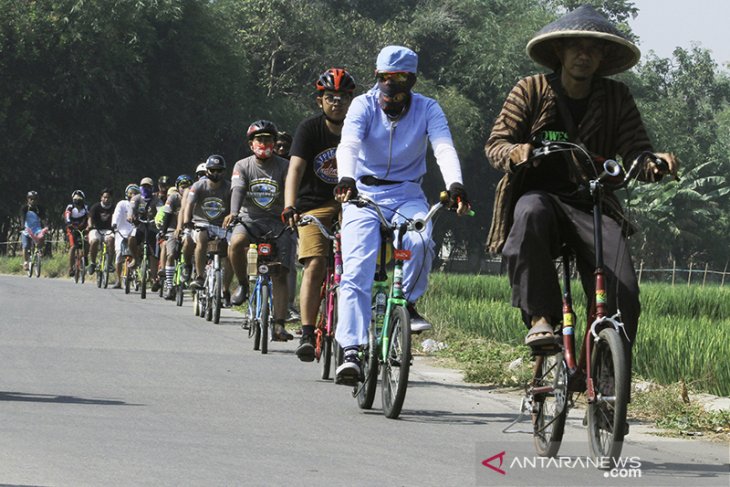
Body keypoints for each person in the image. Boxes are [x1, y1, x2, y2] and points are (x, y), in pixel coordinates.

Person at [484, 6, 678, 361]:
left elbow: (635, 154)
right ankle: (541, 318)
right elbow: (496, 144)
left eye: (593, 48)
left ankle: (603, 376)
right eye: (576, 46)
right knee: (528, 214)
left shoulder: (616, 97)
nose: (584, 55)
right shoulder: (531, 89)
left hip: (592, 202)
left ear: (603, 56)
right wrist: (515, 152)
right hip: (540, 196)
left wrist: (654, 164)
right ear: (560, 51)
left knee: (625, 291)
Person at [333, 46, 470, 385]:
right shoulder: (362, 105)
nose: (389, 86)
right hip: (362, 192)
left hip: (407, 192)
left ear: (412, 80)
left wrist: (455, 184)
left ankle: (406, 304)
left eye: (398, 79)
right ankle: (351, 348)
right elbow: (348, 143)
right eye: (383, 78)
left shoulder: (428, 108)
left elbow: (443, 146)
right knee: (356, 270)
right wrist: (346, 178)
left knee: (421, 240)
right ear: (376, 78)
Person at [282, 67, 357, 362]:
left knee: (364, 267)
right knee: (315, 263)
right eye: (330, 97)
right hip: (313, 206)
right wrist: (290, 206)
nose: (336, 102)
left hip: (353, 204)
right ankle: (307, 331)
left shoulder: (360, 126)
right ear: (320, 101)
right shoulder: (309, 129)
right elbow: (295, 170)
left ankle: (366, 334)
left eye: (342, 97)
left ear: (351, 100)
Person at [225, 120, 294, 341]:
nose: (263, 143)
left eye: (268, 139)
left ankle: (279, 324)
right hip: (249, 219)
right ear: (251, 143)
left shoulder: (284, 166)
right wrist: (233, 213)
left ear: (274, 143)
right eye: (259, 139)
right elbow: (237, 190)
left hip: (277, 221)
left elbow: (292, 191)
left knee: (281, 272)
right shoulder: (242, 165)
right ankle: (243, 285)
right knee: (236, 244)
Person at [184, 155, 234, 306]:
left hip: (222, 225)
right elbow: (189, 204)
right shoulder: (198, 186)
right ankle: (199, 276)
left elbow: (234, 206)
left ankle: (225, 290)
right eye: (213, 170)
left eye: (219, 170)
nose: (216, 173)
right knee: (202, 238)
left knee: (232, 251)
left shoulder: (228, 187)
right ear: (207, 171)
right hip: (201, 223)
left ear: (224, 171)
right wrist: (187, 221)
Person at [276, 130, 301, 322]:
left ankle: (288, 306)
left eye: (285, 146)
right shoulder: (260, 164)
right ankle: (256, 303)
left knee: (289, 264)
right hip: (263, 219)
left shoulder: (296, 165)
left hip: (289, 220)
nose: (281, 149)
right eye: (278, 145)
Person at [160, 174, 193, 299]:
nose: (184, 189)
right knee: (171, 254)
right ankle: (169, 286)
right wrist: (163, 231)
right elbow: (167, 215)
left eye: (187, 186)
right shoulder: (173, 198)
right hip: (172, 229)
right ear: (177, 187)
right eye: (182, 186)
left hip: (188, 229)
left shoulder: (193, 197)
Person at [127, 177, 163, 290]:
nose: (145, 188)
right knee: (132, 238)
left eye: (148, 186)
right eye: (144, 186)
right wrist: (131, 216)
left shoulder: (156, 200)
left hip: (152, 227)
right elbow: (131, 208)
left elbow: (161, 210)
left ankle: (153, 277)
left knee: (153, 253)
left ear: (152, 188)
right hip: (140, 226)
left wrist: (160, 218)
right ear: (140, 187)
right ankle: (134, 258)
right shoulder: (136, 198)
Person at [112, 184, 139, 288]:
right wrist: (114, 224)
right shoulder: (122, 204)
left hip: (134, 230)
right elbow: (117, 215)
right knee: (119, 255)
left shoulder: (139, 204)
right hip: (121, 231)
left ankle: (137, 274)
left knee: (137, 251)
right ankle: (118, 280)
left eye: (135, 193)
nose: (132, 195)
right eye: (130, 192)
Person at [87, 188, 115, 275]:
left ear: (111, 198)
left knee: (111, 241)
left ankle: (109, 263)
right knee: (94, 241)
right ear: (101, 198)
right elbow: (90, 218)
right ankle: (92, 263)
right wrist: (90, 225)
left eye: (108, 197)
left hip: (108, 230)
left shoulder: (114, 207)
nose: (106, 199)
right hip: (96, 229)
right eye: (105, 197)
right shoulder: (96, 207)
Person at [64, 190, 89, 277]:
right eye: (75, 198)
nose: (77, 200)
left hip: (83, 229)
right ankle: (71, 268)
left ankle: (84, 257)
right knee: (73, 247)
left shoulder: (86, 208)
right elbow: (67, 216)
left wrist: (88, 226)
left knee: (87, 242)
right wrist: (69, 224)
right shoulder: (70, 207)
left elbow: (89, 218)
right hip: (72, 229)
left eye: (79, 198)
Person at [20, 191, 47, 271]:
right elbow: (22, 218)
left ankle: (39, 251)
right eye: (31, 199)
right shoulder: (24, 208)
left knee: (42, 236)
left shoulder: (39, 208)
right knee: (25, 246)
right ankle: (25, 262)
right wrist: (22, 226)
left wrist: (46, 226)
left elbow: (43, 218)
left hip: (37, 229)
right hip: (27, 229)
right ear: (28, 199)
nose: (33, 201)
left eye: (35, 199)